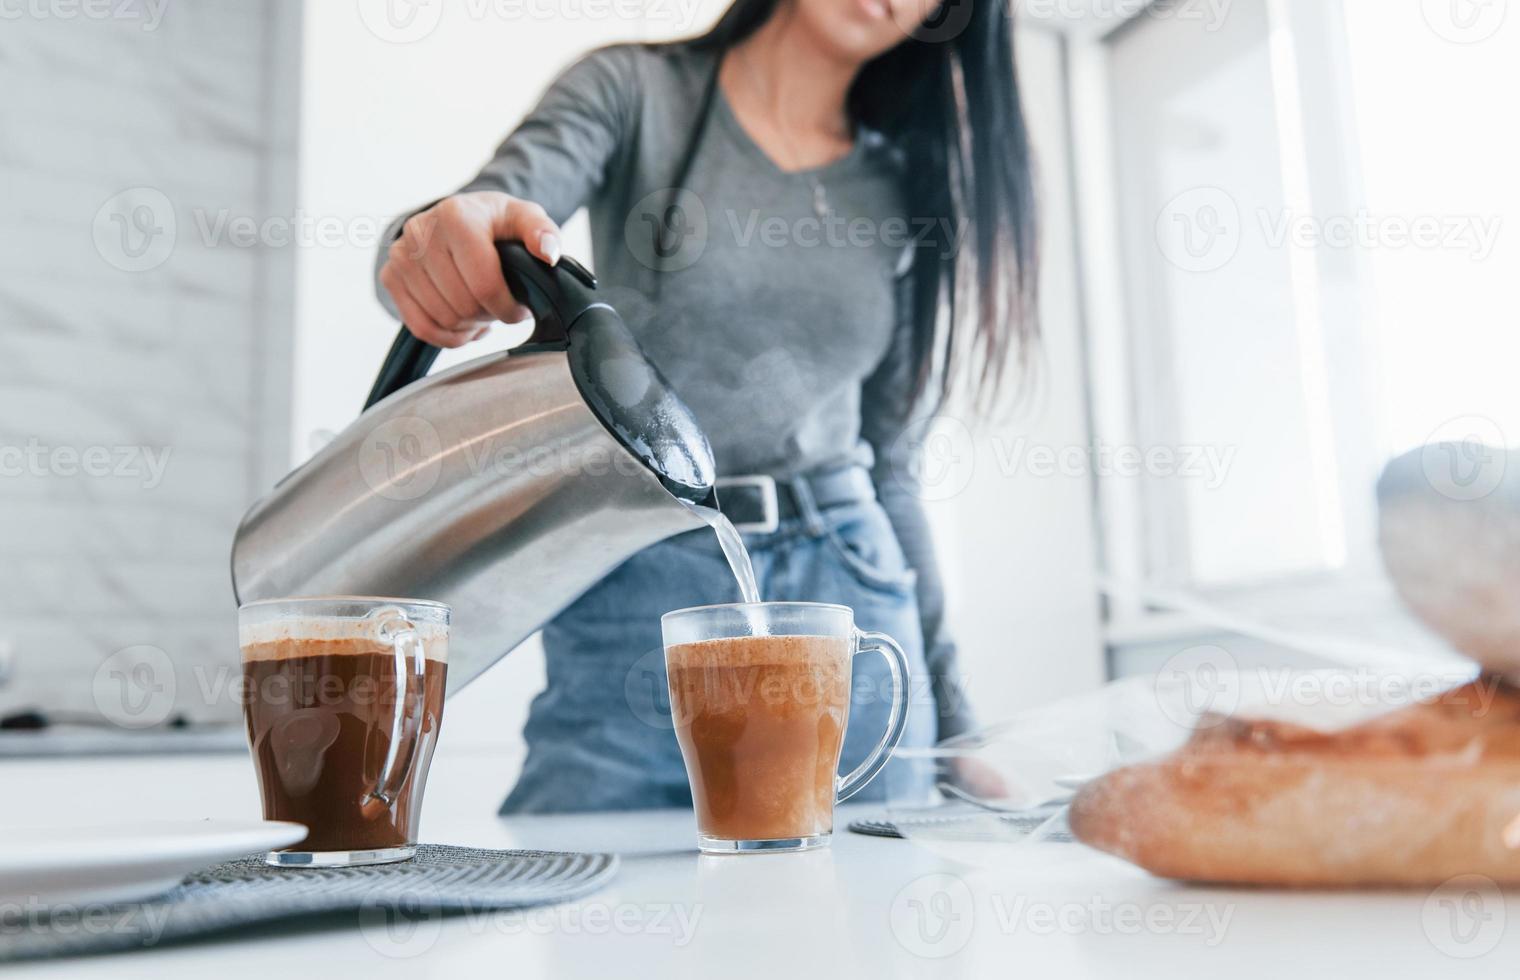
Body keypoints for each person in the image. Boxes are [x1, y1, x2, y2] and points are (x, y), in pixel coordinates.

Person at [374, 0, 1039, 811]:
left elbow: (892, 469)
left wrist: (953, 719)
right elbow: (481, 213)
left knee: (868, 916)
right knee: (591, 908)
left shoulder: (905, 185)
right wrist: (438, 239)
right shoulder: (633, 91)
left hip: (853, 607)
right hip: (642, 588)